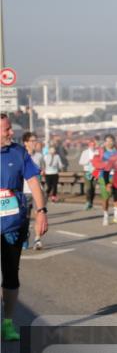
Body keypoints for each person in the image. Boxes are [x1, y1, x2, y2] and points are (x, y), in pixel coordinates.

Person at [1, 114, 49, 341]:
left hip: (13, 224)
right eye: (7, 130)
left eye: (10, 129)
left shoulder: (19, 152)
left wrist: (41, 212)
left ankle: (7, 323)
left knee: (11, 275)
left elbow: (33, 182)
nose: (12, 133)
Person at [19, 132, 42, 250]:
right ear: (26, 143)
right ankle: (25, 236)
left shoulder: (39, 156)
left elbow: (41, 172)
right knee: (25, 218)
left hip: (37, 192)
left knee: (39, 213)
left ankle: (37, 239)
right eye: (32, 141)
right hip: (25, 191)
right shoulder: (20, 156)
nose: (35, 143)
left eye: (35, 140)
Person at [93, 134, 117, 225]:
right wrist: (106, 164)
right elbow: (95, 163)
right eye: (107, 141)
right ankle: (106, 215)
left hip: (116, 176)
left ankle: (116, 215)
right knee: (105, 197)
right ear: (104, 142)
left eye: (111, 141)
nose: (109, 143)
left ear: (114, 142)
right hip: (104, 176)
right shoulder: (100, 151)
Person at [79, 137, 99, 210]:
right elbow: (80, 162)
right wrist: (88, 161)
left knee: (93, 188)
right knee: (88, 187)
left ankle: (91, 203)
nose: (93, 146)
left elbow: (100, 162)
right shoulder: (85, 152)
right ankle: (87, 202)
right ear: (89, 145)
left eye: (94, 145)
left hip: (95, 171)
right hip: (87, 171)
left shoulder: (97, 152)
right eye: (91, 145)